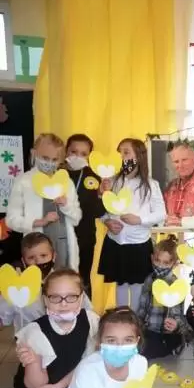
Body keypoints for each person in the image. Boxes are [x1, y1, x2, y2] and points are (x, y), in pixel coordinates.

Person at [12, 269, 98, 388]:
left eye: (71, 297)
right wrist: (31, 362)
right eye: (55, 297)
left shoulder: (91, 321)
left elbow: (90, 364)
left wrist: (60, 387)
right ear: (45, 300)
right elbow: (37, 387)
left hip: (76, 381)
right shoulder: (34, 331)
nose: (63, 304)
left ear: (81, 298)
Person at [98, 138, 166, 311]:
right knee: (120, 284)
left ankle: (135, 320)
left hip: (138, 244)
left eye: (126, 152)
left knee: (137, 286)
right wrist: (107, 221)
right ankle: (121, 317)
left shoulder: (151, 185)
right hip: (116, 242)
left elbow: (161, 213)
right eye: (120, 152)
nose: (122, 156)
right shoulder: (111, 181)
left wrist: (140, 219)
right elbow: (103, 210)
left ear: (139, 156)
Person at [6, 133, 81, 270]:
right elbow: (11, 220)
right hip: (36, 251)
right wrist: (39, 222)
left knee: (65, 280)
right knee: (39, 280)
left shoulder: (65, 181)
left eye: (54, 159)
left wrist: (66, 206)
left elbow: (76, 218)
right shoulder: (23, 182)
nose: (49, 163)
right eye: (45, 158)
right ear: (34, 153)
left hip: (64, 248)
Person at [65, 134, 105, 293]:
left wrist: (101, 195)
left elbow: (98, 212)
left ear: (89, 156)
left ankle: (85, 308)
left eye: (83, 154)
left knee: (82, 279)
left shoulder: (94, 177)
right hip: (59, 235)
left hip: (85, 238)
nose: (77, 157)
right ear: (66, 151)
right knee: (58, 278)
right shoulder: (56, 174)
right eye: (73, 152)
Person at [137, 236, 187, 359]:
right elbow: (142, 308)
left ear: (174, 264)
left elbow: (179, 316)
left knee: (146, 350)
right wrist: (136, 326)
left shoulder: (176, 285)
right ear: (152, 258)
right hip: (149, 330)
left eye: (166, 263)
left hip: (166, 333)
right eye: (157, 261)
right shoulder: (149, 280)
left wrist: (175, 325)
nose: (160, 266)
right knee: (132, 342)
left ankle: (176, 344)